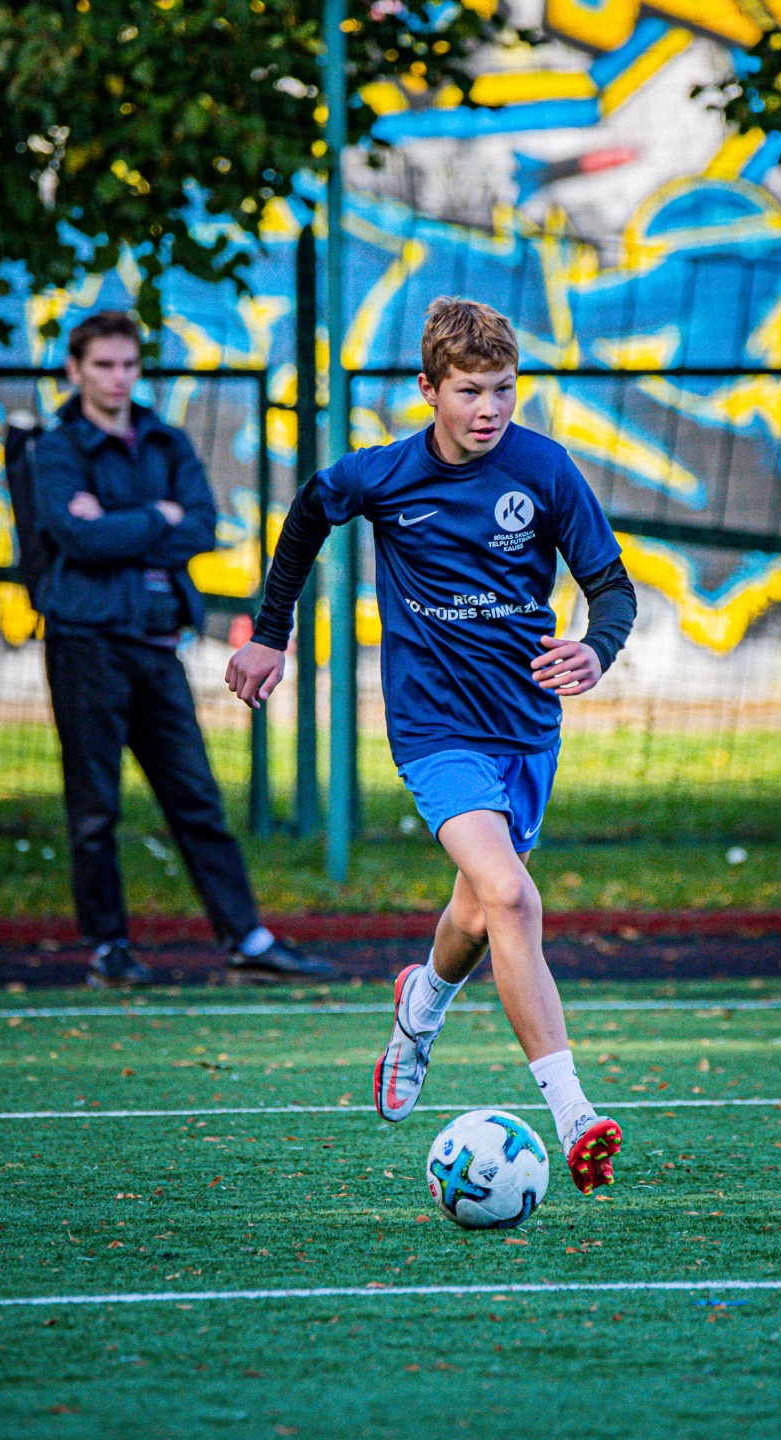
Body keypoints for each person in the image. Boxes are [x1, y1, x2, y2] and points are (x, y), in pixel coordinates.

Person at [226, 298, 637, 1194]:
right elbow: (309, 512)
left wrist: (595, 648)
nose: (489, 410)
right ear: (429, 390)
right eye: (469, 392)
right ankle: (575, 1114)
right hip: (434, 728)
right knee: (512, 897)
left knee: (476, 916)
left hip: (525, 727)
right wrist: (270, 633)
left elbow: (612, 588)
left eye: (504, 390)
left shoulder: (545, 469)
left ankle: (420, 1007)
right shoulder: (384, 474)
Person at [34, 310, 325, 987]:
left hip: (157, 646)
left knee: (196, 797)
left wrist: (120, 524)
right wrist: (153, 518)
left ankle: (247, 939)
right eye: (103, 365)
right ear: (75, 370)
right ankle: (109, 949)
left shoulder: (165, 441)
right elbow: (77, 540)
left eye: (128, 365)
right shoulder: (56, 449)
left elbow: (199, 526)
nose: (118, 378)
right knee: (94, 809)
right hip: (86, 647)